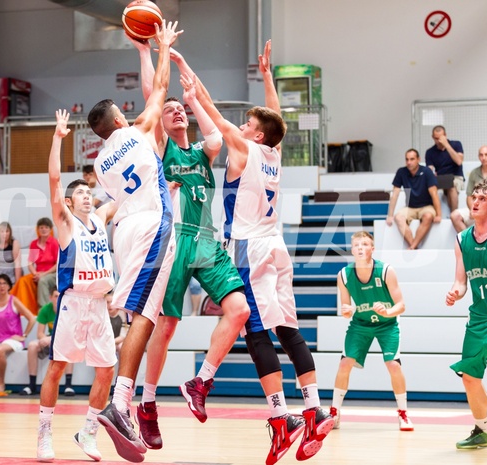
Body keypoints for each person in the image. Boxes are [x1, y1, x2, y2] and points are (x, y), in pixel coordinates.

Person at [185, 39, 333, 463]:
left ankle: (281, 417)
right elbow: (278, 119)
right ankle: (314, 407)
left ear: (256, 134)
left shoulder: (247, 148)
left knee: (255, 333)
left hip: (249, 247)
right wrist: (268, 77)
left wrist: (188, 78)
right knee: (288, 329)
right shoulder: (272, 152)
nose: (243, 126)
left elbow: (215, 114)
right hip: (276, 246)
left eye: (248, 123)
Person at [129, 37, 249, 450]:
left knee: (239, 311)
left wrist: (191, 94)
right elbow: (153, 96)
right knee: (166, 326)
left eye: (179, 109)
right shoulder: (159, 150)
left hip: (207, 241)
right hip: (173, 243)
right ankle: (146, 404)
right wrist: (149, 52)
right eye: (169, 110)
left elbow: (215, 134)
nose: (175, 111)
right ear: (158, 123)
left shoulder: (201, 151)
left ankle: (201, 381)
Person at [86, 20, 180, 463]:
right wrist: (160, 48)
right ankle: (120, 404)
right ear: (119, 119)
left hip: (124, 231)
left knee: (142, 313)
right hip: (151, 225)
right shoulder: (138, 129)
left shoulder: (102, 161)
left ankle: (122, 401)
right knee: (146, 312)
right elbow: (159, 91)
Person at [36, 109, 118, 462]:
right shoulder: (66, 223)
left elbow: (126, 197)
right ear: (69, 203)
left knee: (107, 370)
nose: (88, 195)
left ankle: (88, 432)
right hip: (72, 303)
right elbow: (55, 180)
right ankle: (44, 434)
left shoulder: (99, 219)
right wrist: (57, 137)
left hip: (99, 304)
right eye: (81, 192)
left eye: (89, 191)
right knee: (56, 367)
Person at [330, 231, 413, 431]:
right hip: (361, 324)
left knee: (393, 365)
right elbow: (345, 310)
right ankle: (334, 412)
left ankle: (403, 414)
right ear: (352, 250)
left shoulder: (386, 271)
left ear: (372, 249)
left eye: (365, 244)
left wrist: (387, 311)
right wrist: (346, 311)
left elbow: (401, 305)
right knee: (345, 363)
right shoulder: (343, 275)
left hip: (388, 323)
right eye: (356, 244)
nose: (360, 247)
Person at [446, 180, 487, 450]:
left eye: (482, 198)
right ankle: (482, 431)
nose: (475, 202)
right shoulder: (461, 240)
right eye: (474, 197)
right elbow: (461, 281)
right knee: (470, 377)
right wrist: (455, 293)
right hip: (478, 319)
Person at [0, 274, 35, 393]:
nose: (2, 286)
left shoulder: (14, 300)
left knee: (0, 350)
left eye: (4, 283)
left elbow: (32, 318)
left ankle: (1, 383)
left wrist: (23, 335)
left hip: (12, 339)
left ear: (9, 286)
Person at [386, 149, 442, 249]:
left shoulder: (426, 172)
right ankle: (413, 246)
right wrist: (390, 215)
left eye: (412, 159)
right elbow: (395, 194)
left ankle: (412, 246)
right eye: (407, 159)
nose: (409, 162)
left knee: (428, 216)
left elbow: (434, 194)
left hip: (426, 206)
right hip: (410, 207)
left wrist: (439, 214)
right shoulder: (401, 172)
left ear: (418, 159)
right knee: (398, 217)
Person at [10, 217, 59, 315]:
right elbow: (30, 263)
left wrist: (43, 274)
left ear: (50, 229)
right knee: (23, 281)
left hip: (52, 273)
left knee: (43, 281)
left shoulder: (54, 243)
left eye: (46, 227)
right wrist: (35, 273)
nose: (44, 229)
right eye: (41, 227)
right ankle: (23, 309)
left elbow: (57, 264)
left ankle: (43, 310)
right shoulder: (34, 244)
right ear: (38, 229)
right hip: (37, 273)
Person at [451, 146, 487, 232]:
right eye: (481, 155)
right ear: (478, 156)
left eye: (486, 155)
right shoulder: (474, 173)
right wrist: (473, 209)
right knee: (455, 216)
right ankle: (469, 242)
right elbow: (469, 196)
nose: (483, 158)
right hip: (477, 206)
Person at [20, 285, 60, 396]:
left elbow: (69, 334)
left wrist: (51, 339)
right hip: (51, 340)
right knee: (32, 345)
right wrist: (45, 339)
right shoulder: (45, 309)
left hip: (64, 341)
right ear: (50, 297)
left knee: (68, 347)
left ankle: (68, 385)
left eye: (60, 296)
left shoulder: (67, 309)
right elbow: (40, 333)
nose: (58, 299)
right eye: (56, 296)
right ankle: (32, 385)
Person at [425, 125, 464, 212]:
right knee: (428, 186)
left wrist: (446, 145)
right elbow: (429, 169)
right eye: (436, 138)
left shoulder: (456, 144)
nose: (438, 141)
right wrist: (431, 174)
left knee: (452, 186)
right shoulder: (430, 152)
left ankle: (454, 214)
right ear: (432, 137)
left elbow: (459, 161)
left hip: (456, 177)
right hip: (440, 178)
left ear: (445, 135)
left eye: (440, 138)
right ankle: (431, 214)